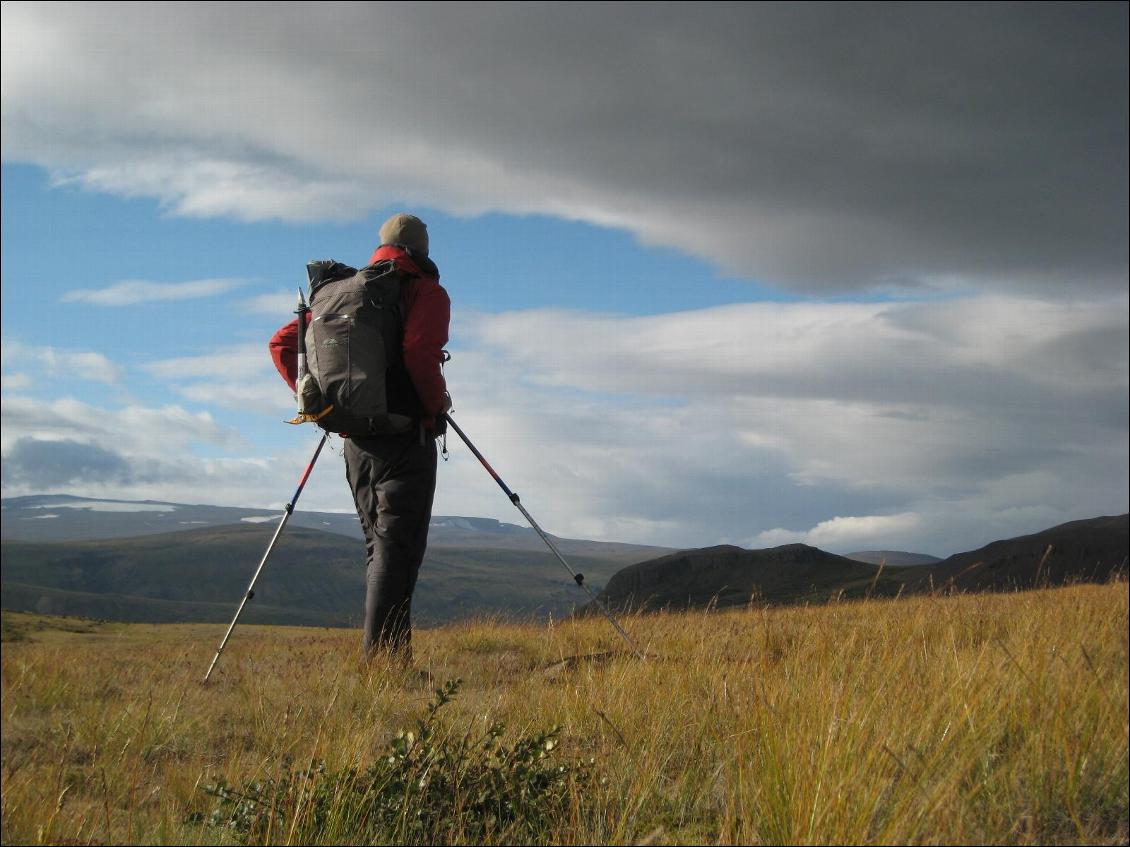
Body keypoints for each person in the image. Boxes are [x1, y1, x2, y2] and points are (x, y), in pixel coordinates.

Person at [269, 213, 451, 664]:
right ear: (421, 250)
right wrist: (436, 405)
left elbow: (281, 343)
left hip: (353, 437)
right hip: (405, 435)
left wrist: (315, 397)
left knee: (379, 545)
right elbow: (418, 353)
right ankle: (385, 667)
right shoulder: (423, 291)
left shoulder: (336, 292)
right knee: (397, 547)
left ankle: (387, 662)